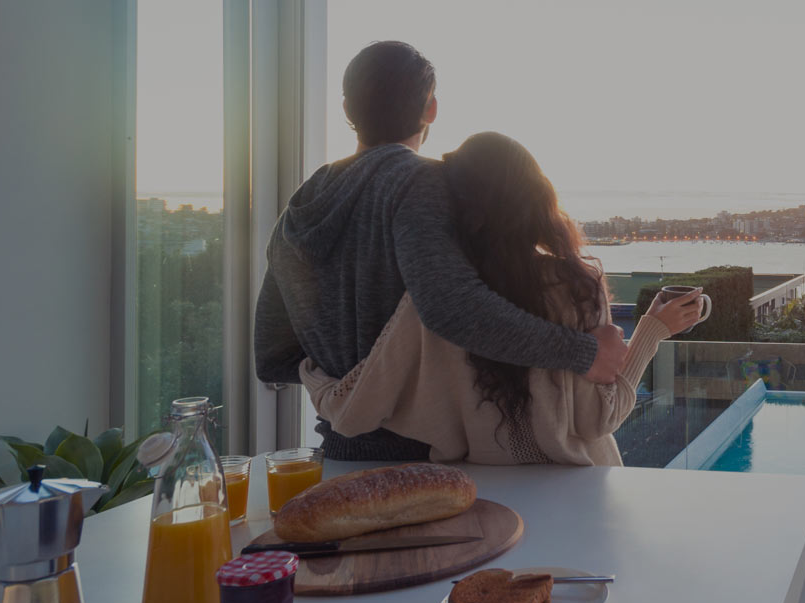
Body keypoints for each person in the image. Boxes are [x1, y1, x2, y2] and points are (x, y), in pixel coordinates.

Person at [253, 41, 628, 461]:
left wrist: (345, 371)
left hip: (340, 456)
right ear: (430, 109)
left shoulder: (298, 210)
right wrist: (584, 354)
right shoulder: (420, 182)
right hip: (430, 461)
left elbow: (273, 357)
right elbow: (453, 307)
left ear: (347, 109)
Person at [299, 132, 706, 466]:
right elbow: (601, 418)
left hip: (485, 495)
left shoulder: (433, 305)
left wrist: (311, 370)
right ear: (537, 200)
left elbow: (357, 406)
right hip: (577, 490)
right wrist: (652, 332)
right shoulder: (573, 287)